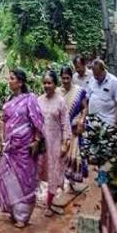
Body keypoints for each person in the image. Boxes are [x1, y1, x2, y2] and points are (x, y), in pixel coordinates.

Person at [0, 69, 45, 228]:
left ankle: (23, 216)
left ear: (20, 82)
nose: (9, 81)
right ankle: (13, 211)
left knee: (24, 180)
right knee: (9, 176)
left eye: (12, 78)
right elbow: (4, 121)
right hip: (10, 147)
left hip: (25, 147)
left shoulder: (30, 99)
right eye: (9, 78)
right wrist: (3, 139)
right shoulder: (9, 99)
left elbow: (38, 121)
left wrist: (37, 140)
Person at [36, 70, 72, 215]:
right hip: (40, 143)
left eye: (49, 83)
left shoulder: (60, 101)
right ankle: (32, 199)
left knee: (53, 173)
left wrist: (65, 143)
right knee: (37, 170)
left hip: (55, 143)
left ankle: (49, 204)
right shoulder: (38, 100)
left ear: (55, 84)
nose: (46, 85)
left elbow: (65, 124)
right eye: (44, 83)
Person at [60, 66, 88, 186]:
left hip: (75, 129)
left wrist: (82, 120)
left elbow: (84, 107)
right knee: (62, 155)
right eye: (63, 78)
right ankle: (62, 182)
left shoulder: (78, 91)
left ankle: (71, 181)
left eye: (68, 78)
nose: (65, 80)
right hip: (61, 131)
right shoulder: (57, 92)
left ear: (71, 78)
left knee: (74, 154)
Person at [87, 59, 117, 127]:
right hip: (93, 122)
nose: (96, 77)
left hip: (108, 122)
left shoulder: (114, 82)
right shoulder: (92, 80)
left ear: (103, 70)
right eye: (94, 74)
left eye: (98, 74)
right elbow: (87, 98)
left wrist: (116, 122)